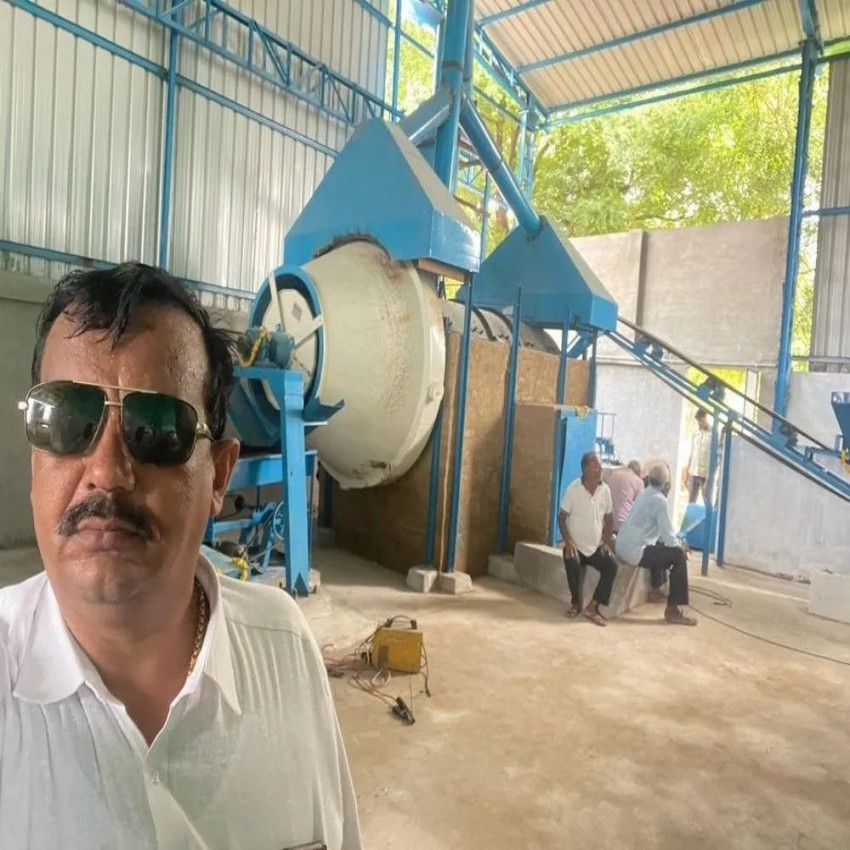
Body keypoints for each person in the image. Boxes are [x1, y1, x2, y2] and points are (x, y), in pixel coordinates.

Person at [0, 264, 362, 848]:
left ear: (218, 474)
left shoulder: (284, 650)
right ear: (35, 458)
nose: (106, 473)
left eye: (157, 428)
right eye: (68, 420)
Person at [616, 462, 697, 626]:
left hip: (623, 545)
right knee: (678, 556)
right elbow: (669, 537)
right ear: (666, 485)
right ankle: (673, 610)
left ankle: (655, 589)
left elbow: (662, 533)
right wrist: (680, 547)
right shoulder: (660, 501)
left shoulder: (644, 494)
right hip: (635, 550)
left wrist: (675, 542)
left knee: (661, 547)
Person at [559, 452, 619, 627]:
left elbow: (609, 519)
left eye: (600, 465)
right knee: (571, 561)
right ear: (585, 469)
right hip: (576, 546)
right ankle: (575, 603)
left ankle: (593, 607)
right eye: (595, 465)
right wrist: (568, 541)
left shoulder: (605, 490)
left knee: (612, 566)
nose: (600, 469)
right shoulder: (573, 489)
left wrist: (606, 542)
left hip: (595, 547)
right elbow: (562, 517)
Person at [683, 408, 712, 503]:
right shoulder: (695, 433)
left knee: (707, 500)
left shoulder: (713, 434)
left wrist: (711, 474)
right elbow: (692, 453)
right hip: (693, 471)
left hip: (705, 474)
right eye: (698, 421)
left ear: (706, 418)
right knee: (691, 501)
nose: (699, 423)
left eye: (701, 420)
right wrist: (687, 471)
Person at [607, 459, 645, 532]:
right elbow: (641, 505)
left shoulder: (613, 474)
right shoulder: (637, 480)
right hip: (624, 523)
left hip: (608, 521)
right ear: (638, 472)